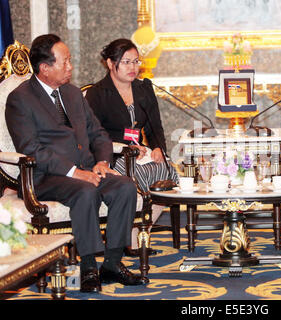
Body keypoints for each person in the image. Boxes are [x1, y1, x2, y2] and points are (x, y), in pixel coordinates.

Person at [5, 34, 147, 293]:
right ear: (45, 68)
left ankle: (113, 264)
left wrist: (103, 161)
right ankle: (89, 267)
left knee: (125, 186)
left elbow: (98, 132)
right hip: (47, 177)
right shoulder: (20, 99)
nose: (71, 67)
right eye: (65, 62)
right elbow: (30, 149)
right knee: (85, 190)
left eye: (70, 60)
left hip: (88, 169)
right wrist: (74, 172)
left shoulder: (71, 93)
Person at [85, 39, 179, 254]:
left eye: (136, 61)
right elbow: (93, 135)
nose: (133, 68)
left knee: (166, 171)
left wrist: (157, 148)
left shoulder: (143, 88)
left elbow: (156, 126)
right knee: (140, 173)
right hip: (111, 154)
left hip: (141, 150)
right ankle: (130, 237)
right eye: (126, 62)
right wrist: (123, 148)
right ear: (110, 63)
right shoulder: (97, 94)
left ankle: (137, 231)